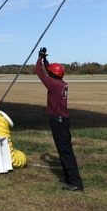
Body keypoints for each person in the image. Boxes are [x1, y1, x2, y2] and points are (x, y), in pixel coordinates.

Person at [36, 48, 83, 191]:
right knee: (64, 150)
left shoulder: (53, 84)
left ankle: (76, 183)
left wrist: (39, 59)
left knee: (65, 152)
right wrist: (45, 60)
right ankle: (69, 178)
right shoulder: (61, 83)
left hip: (58, 121)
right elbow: (50, 71)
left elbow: (39, 72)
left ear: (52, 74)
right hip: (63, 120)